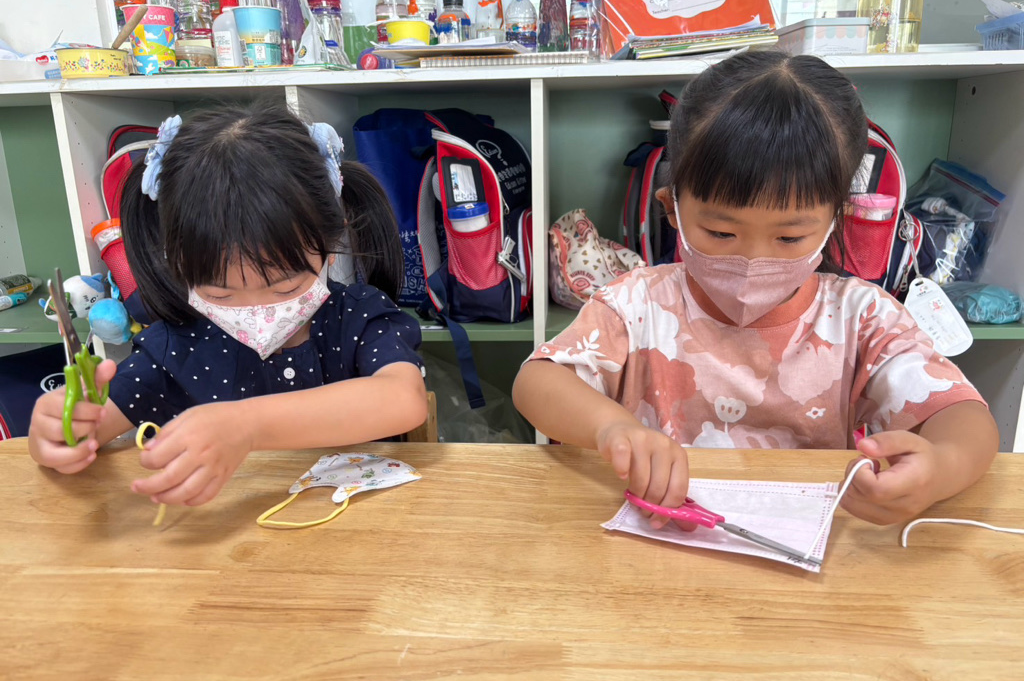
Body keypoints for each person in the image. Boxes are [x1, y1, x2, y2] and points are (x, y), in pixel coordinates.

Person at [514, 51, 998, 528]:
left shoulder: (861, 318)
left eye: (789, 238)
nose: (751, 261)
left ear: (835, 222)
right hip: (664, 539)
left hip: (803, 549)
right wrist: (611, 427)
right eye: (720, 232)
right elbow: (537, 382)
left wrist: (940, 468)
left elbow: (964, 416)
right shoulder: (637, 304)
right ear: (672, 210)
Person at [29, 103, 428, 507]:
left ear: (330, 242)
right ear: (174, 260)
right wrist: (62, 431)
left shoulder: (359, 317)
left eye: (284, 287)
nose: (257, 311)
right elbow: (86, 431)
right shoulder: (174, 348)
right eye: (220, 294)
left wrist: (247, 426)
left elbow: (402, 400)